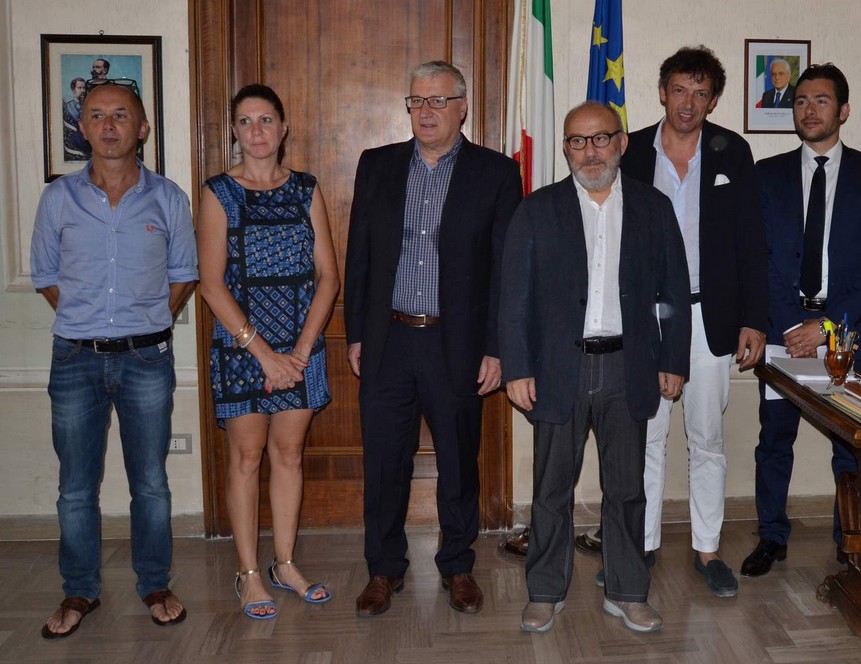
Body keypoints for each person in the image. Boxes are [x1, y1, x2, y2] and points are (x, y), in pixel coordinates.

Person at [500, 101, 691, 634]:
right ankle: (545, 591)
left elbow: (673, 291)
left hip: (630, 366)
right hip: (559, 369)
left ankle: (628, 591)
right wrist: (517, 366)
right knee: (550, 489)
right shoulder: (537, 210)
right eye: (577, 141)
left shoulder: (653, 208)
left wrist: (674, 359)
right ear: (565, 149)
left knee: (628, 489)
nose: (590, 151)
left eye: (601, 139)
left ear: (622, 143)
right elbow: (513, 298)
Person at [344, 60, 522, 617]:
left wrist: (497, 346)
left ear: (462, 107)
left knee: (459, 463)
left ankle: (458, 566)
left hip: (460, 345)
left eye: (438, 101)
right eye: (417, 101)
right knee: (384, 463)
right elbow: (360, 257)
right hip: (389, 342)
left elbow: (505, 269)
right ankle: (384, 569)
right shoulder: (377, 166)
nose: (426, 111)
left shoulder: (495, 173)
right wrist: (356, 334)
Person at [30, 83, 197, 638]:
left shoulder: (169, 198)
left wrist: (145, 322)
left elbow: (184, 275)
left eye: (120, 115)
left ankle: (154, 583)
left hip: (147, 360)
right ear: (82, 128)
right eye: (95, 115)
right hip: (74, 359)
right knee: (76, 485)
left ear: (142, 127)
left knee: (149, 482)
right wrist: (89, 324)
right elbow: (47, 276)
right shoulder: (58, 198)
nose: (107, 125)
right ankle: (79, 590)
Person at [617, 45, 768, 598]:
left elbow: (753, 242)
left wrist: (754, 319)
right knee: (646, 438)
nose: (688, 103)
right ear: (662, 91)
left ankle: (707, 550)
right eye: (679, 89)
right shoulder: (629, 152)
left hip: (711, 318)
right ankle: (645, 546)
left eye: (701, 93)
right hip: (648, 318)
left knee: (706, 438)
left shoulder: (732, 152)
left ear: (713, 99)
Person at [742, 63, 861, 577]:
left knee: (851, 447)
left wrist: (827, 326)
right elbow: (759, 255)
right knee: (774, 440)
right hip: (783, 330)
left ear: (843, 110)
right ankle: (771, 536)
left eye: (822, 101)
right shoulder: (767, 173)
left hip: (847, 334)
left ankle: (849, 540)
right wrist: (791, 327)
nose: (809, 109)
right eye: (802, 101)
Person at [197, 84, 339, 619]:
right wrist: (262, 353)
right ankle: (249, 573)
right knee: (247, 457)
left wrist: (299, 353)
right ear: (234, 131)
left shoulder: (306, 189)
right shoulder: (218, 192)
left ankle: (284, 563)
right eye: (245, 121)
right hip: (242, 350)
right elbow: (211, 285)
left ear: (283, 129)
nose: (256, 131)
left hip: (301, 348)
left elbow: (329, 276)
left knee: (288, 455)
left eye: (265, 120)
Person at [62, 77, 91, 161]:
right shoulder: (67, 108)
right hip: (74, 151)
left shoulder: (90, 107)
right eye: (79, 88)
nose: (82, 90)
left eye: (84, 88)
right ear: (73, 89)